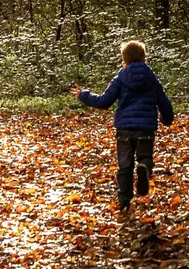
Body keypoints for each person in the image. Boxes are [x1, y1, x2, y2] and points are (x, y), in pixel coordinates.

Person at [71, 40, 175, 213]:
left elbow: (104, 101)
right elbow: (164, 103)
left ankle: (124, 200)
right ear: (145, 59)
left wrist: (84, 95)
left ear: (124, 61)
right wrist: (167, 118)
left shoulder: (121, 77)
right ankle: (144, 168)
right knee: (145, 157)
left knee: (125, 166)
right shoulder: (152, 79)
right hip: (146, 128)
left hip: (124, 129)